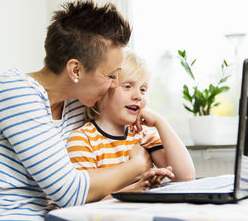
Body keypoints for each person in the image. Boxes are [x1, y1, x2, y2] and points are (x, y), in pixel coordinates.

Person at [0, 0, 173, 220]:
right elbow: (70, 191)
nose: (114, 83)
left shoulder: (76, 104)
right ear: (76, 70)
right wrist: (137, 165)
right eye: (110, 75)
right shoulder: (14, 91)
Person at [67, 49, 195, 199]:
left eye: (143, 89)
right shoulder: (82, 140)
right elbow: (83, 200)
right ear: (103, 91)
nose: (138, 96)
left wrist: (161, 123)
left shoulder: (143, 135)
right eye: (127, 86)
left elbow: (185, 177)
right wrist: (133, 190)